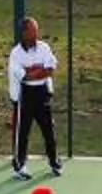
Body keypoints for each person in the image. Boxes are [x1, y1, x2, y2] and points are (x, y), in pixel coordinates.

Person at [5, 16, 61, 179]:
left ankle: (54, 163)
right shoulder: (16, 54)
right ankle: (20, 166)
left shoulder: (44, 48)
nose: (36, 34)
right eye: (32, 31)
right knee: (22, 132)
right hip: (25, 95)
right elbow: (25, 77)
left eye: (36, 30)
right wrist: (38, 71)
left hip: (42, 93)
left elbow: (50, 70)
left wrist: (35, 72)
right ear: (24, 33)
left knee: (48, 130)